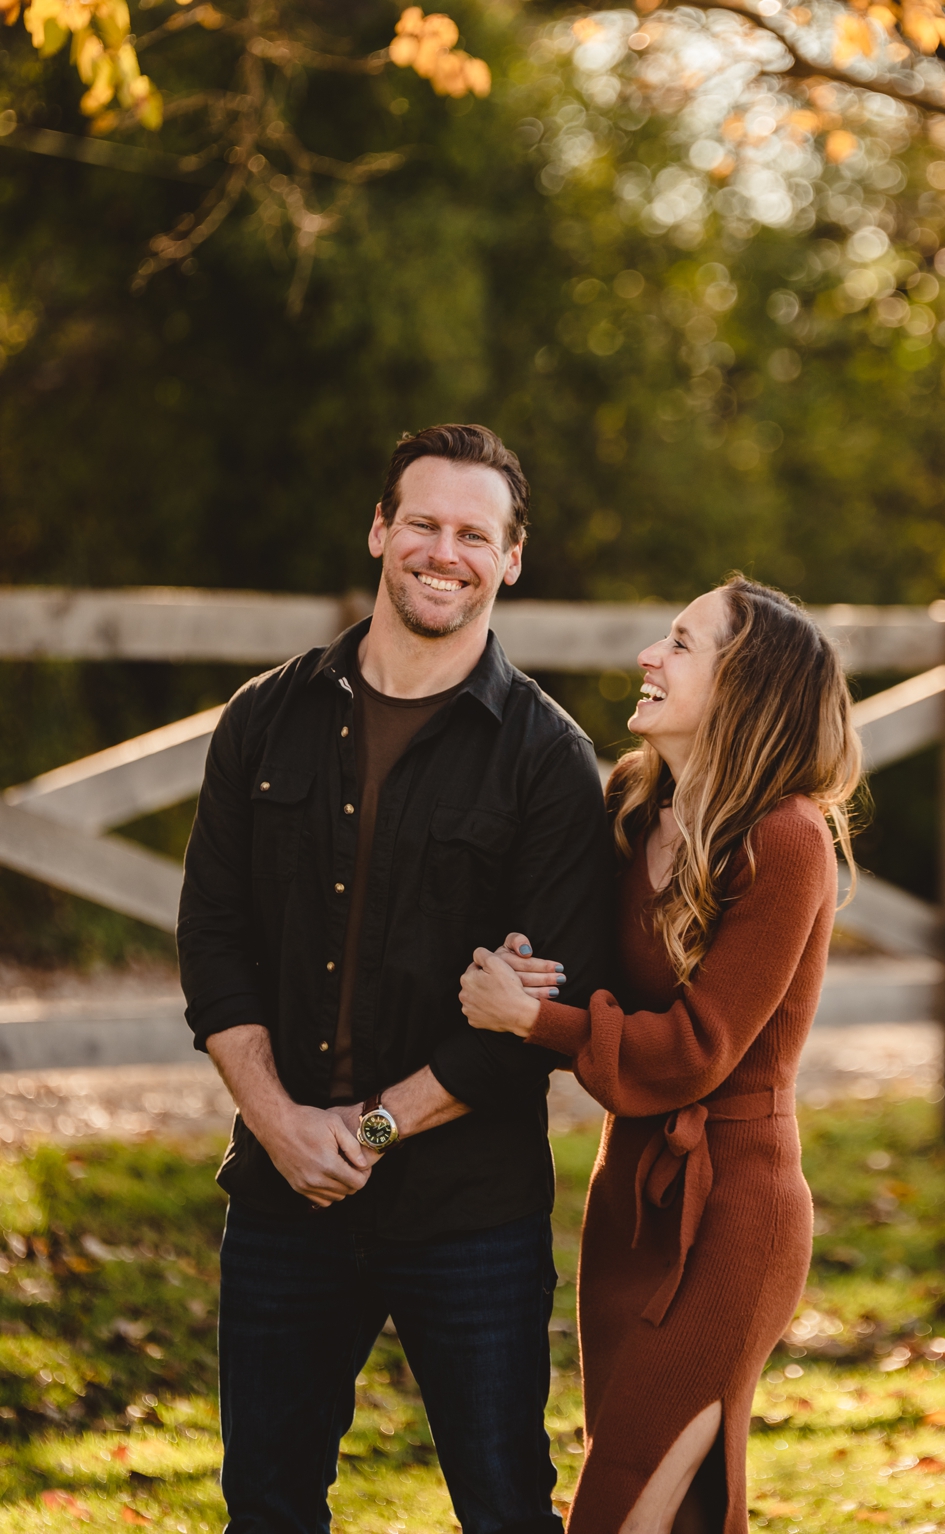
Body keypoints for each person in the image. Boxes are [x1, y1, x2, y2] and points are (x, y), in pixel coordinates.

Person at [177, 423, 614, 1534]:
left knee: (505, 1508)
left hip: (469, 1208)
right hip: (280, 1200)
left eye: (475, 532)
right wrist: (278, 1123)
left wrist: (365, 1133)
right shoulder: (263, 716)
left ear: (511, 559)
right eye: (422, 521)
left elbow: (534, 1015)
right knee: (267, 1507)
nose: (443, 550)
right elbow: (214, 941)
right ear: (380, 529)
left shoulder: (549, 761)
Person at [458, 574, 859, 1534]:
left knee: (624, 1506)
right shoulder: (636, 807)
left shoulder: (786, 837)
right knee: (665, 1507)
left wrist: (532, 1022)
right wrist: (526, 967)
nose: (649, 655)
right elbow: (584, 963)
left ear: (745, 687)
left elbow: (695, 1050)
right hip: (630, 1190)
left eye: (682, 643)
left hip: (733, 1212)